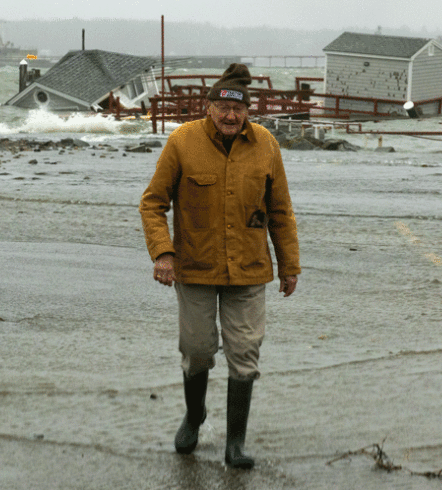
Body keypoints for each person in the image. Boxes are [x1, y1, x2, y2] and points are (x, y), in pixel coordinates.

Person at [139, 63, 300, 469]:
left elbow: (280, 210)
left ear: (247, 110)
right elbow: (153, 203)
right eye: (223, 108)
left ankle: (235, 443)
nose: (231, 116)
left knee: (245, 352)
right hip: (194, 267)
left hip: (248, 268)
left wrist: (290, 265)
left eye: (238, 110)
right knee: (196, 351)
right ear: (208, 107)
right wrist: (162, 253)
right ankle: (194, 416)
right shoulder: (182, 141)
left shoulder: (266, 144)